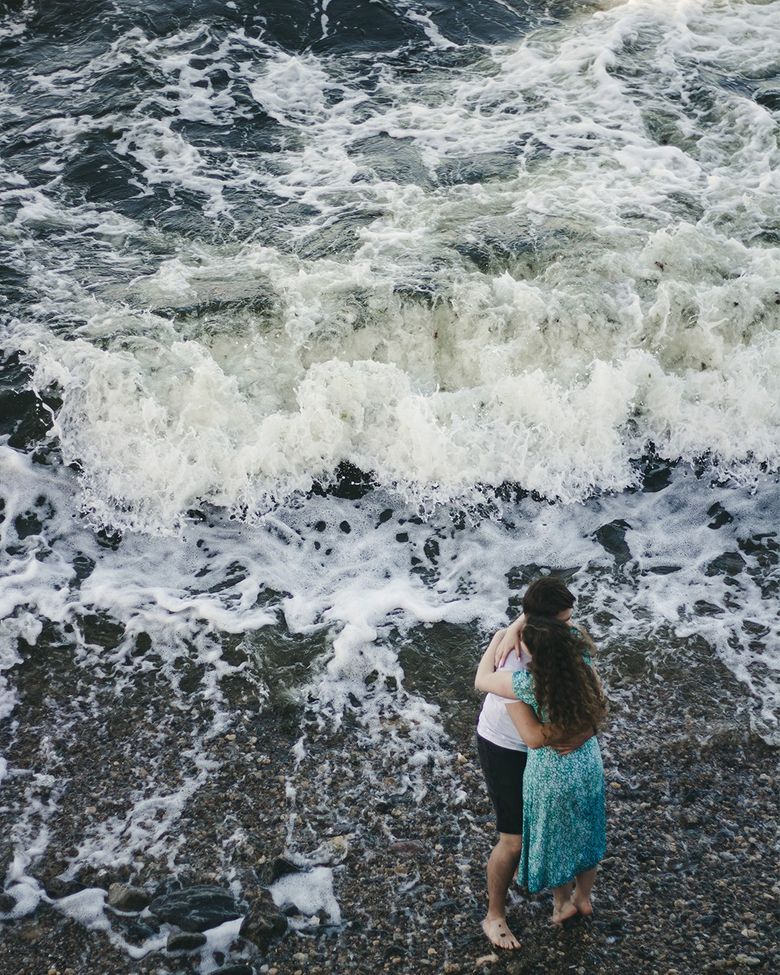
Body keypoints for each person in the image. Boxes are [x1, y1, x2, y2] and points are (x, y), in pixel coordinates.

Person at [475, 577, 593, 949]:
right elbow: (530, 734)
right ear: (544, 622)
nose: (572, 624)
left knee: (555, 825)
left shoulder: (561, 639)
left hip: (543, 747)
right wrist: (502, 635)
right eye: (565, 619)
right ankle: (494, 915)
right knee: (514, 839)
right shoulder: (513, 662)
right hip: (506, 745)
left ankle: (562, 900)